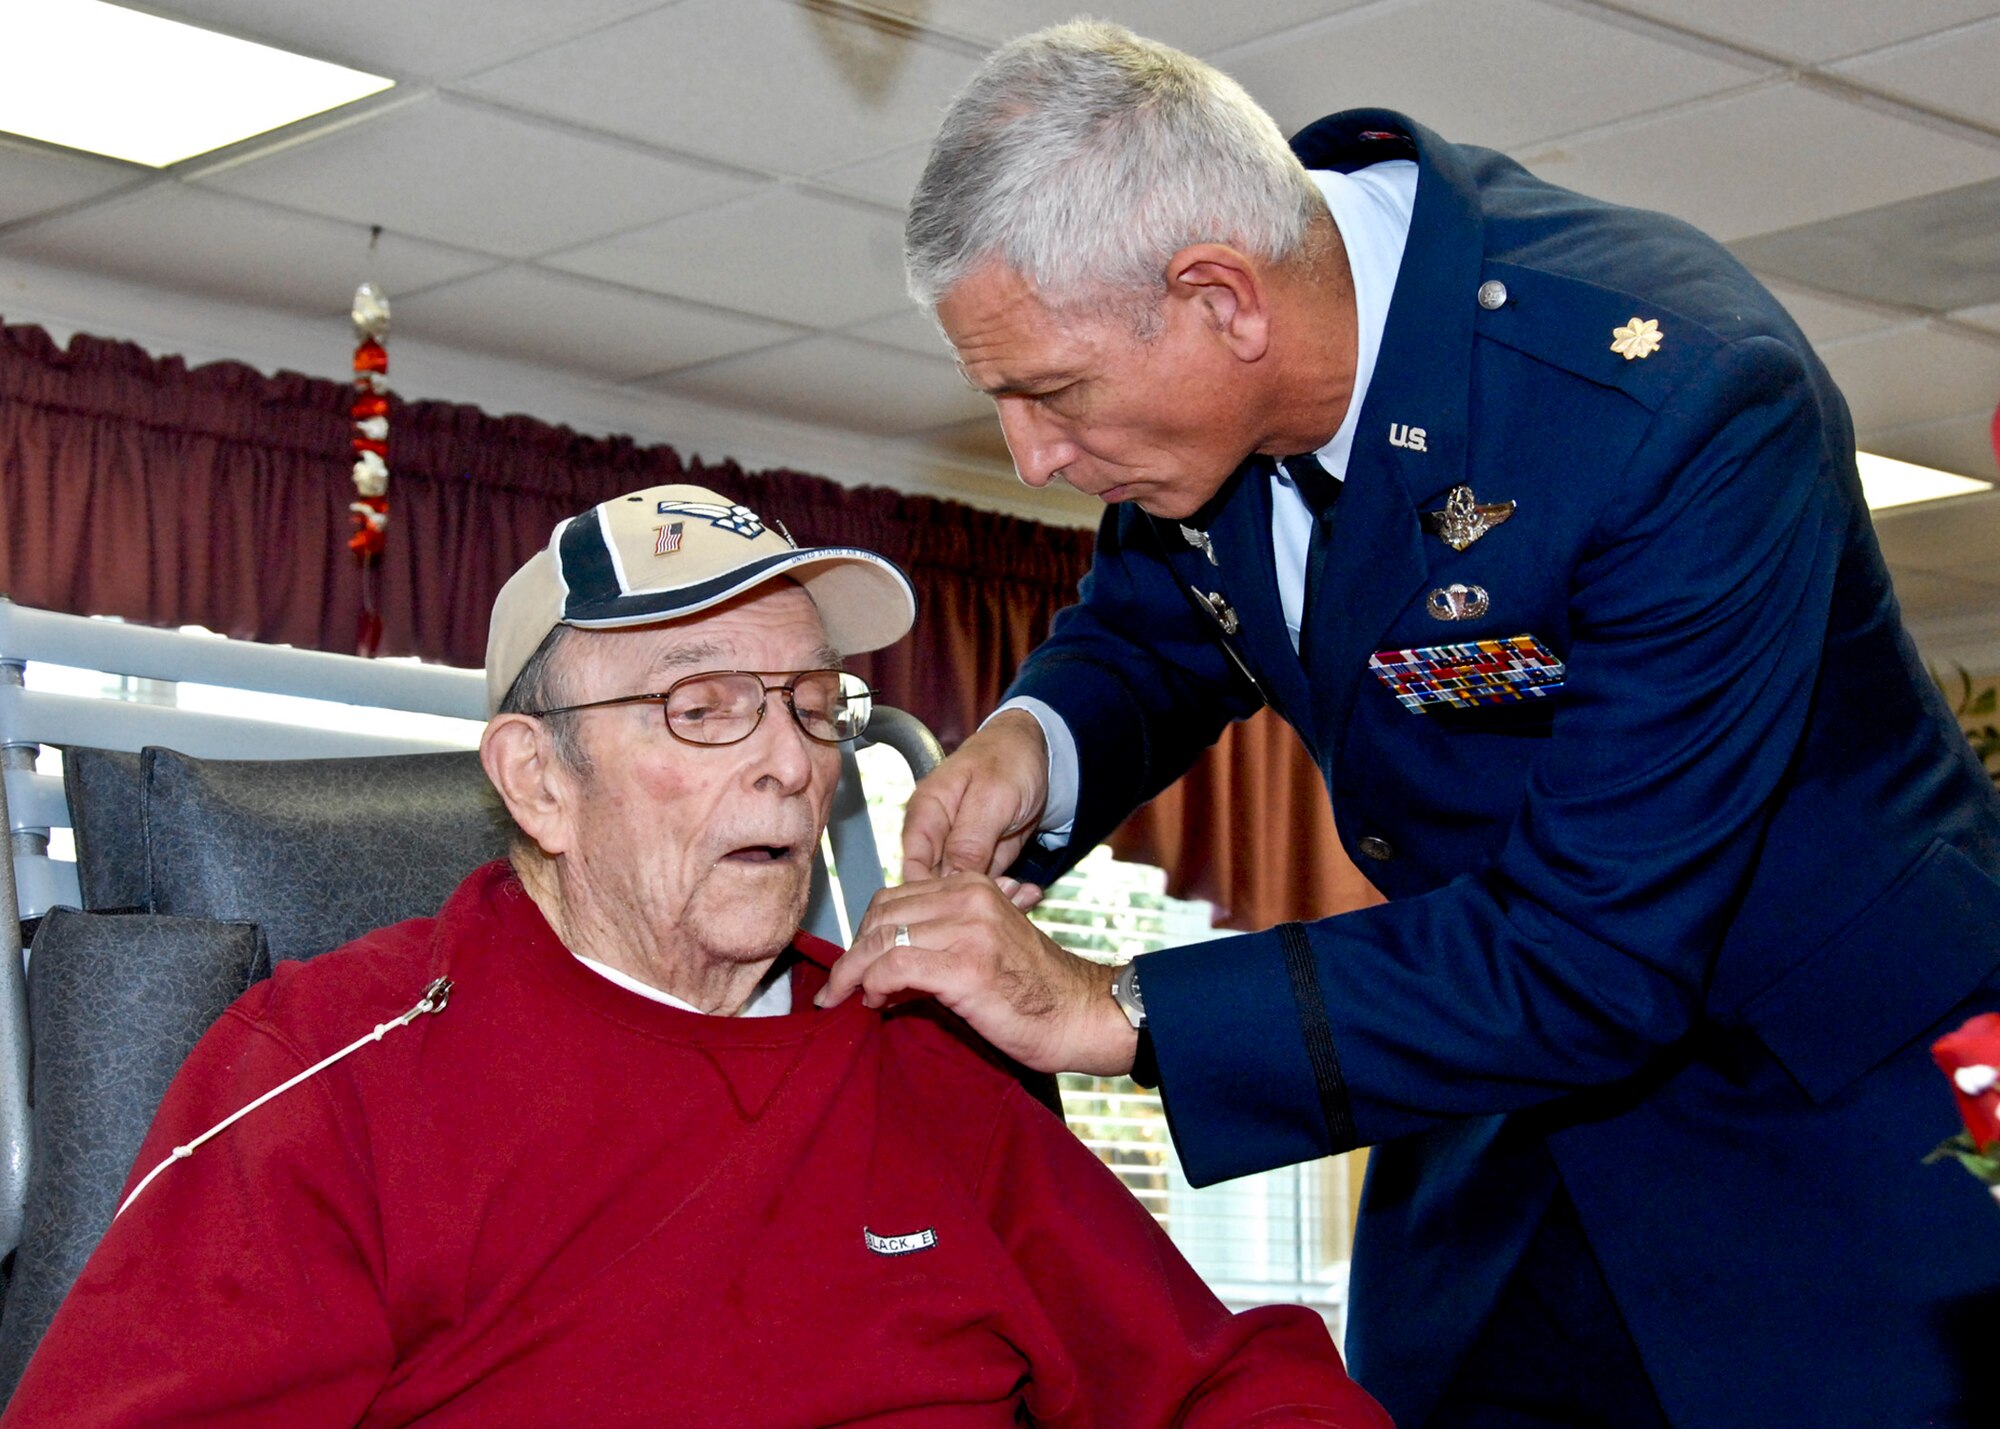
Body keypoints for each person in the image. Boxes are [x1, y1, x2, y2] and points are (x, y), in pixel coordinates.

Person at [819, 21, 2000, 1429]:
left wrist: (1113, 1004)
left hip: (1820, 1121)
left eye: (1052, 394)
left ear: (1222, 297)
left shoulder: (1671, 404)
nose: (1034, 456)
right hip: (1497, 1104)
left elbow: (1594, 949)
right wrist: (1040, 740)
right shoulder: (1208, 399)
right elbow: (1167, 612)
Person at [2, 484, 1388, 1428]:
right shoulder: (326, 1074)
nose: (791, 761)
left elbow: (1220, 1386)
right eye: (706, 706)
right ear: (538, 780)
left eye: (810, 703)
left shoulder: (922, 1057)